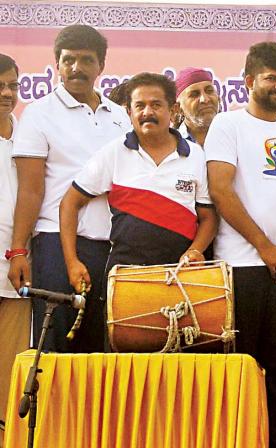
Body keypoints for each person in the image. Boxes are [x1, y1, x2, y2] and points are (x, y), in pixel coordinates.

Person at [205, 41, 276, 448]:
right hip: (242, 268)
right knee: (240, 368)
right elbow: (221, 193)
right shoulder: (227, 125)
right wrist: (265, 248)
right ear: (249, 80)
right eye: (271, 78)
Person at [9, 25, 129, 352]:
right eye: (69, 60)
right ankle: (49, 406)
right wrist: (19, 251)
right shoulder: (39, 115)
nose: (77, 68)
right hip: (54, 245)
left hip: (110, 246)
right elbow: (30, 191)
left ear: (101, 66)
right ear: (57, 65)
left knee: (101, 350)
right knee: (55, 348)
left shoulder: (120, 117)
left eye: (86, 60)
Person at [59, 72, 216, 300]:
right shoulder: (114, 153)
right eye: (140, 106)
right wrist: (72, 262)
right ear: (129, 112)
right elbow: (69, 203)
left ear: (173, 111)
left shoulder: (196, 156)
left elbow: (209, 218)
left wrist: (195, 250)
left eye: (156, 105)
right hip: (125, 280)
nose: (147, 113)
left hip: (181, 277)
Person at [0, 52, 30, 429]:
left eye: (12, 86)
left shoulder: (28, 134)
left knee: (12, 357)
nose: (7, 93)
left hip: (18, 261)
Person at [175, 67, 220, 147]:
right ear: (178, 108)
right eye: (194, 94)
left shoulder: (233, 138)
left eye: (209, 91)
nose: (205, 99)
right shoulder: (172, 144)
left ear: (219, 98)